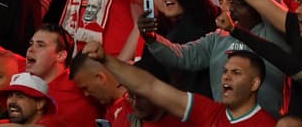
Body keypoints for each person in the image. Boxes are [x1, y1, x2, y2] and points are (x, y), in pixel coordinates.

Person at [81, 41, 278, 126]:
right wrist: (106, 60)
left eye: (236, 73)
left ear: (254, 84)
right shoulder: (209, 111)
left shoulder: (268, 125)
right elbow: (150, 87)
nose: (226, 77)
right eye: (225, 71)